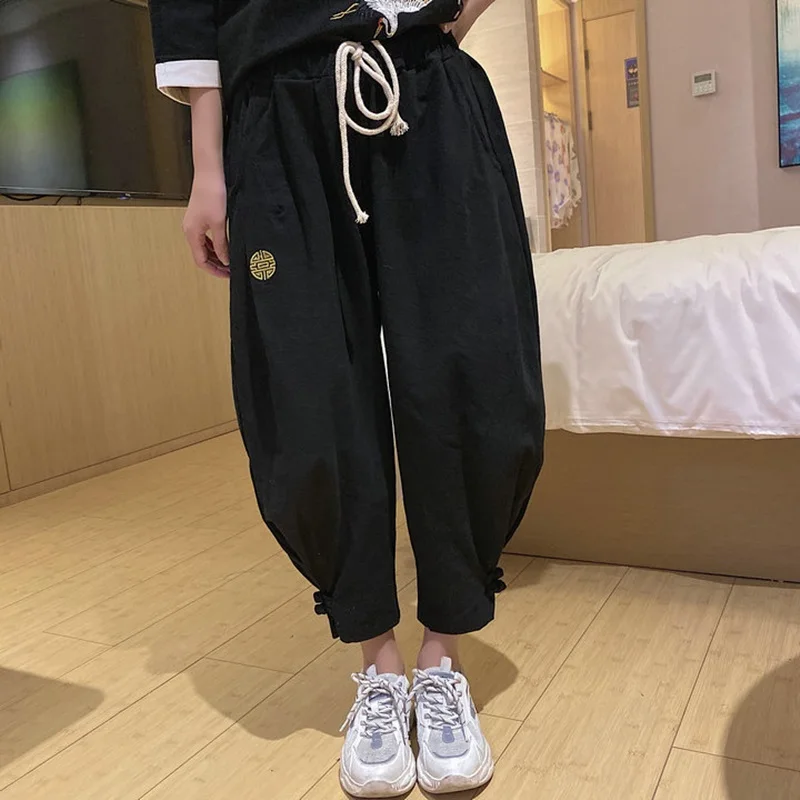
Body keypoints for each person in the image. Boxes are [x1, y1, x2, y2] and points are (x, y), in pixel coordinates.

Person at [149, 0, 545, 795]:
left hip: (429, 92)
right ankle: (380, 667)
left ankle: (442, 661)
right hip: (276, 114)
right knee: (308, 395)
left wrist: (443, 26)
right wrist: (207, 168)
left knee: (474, 373)